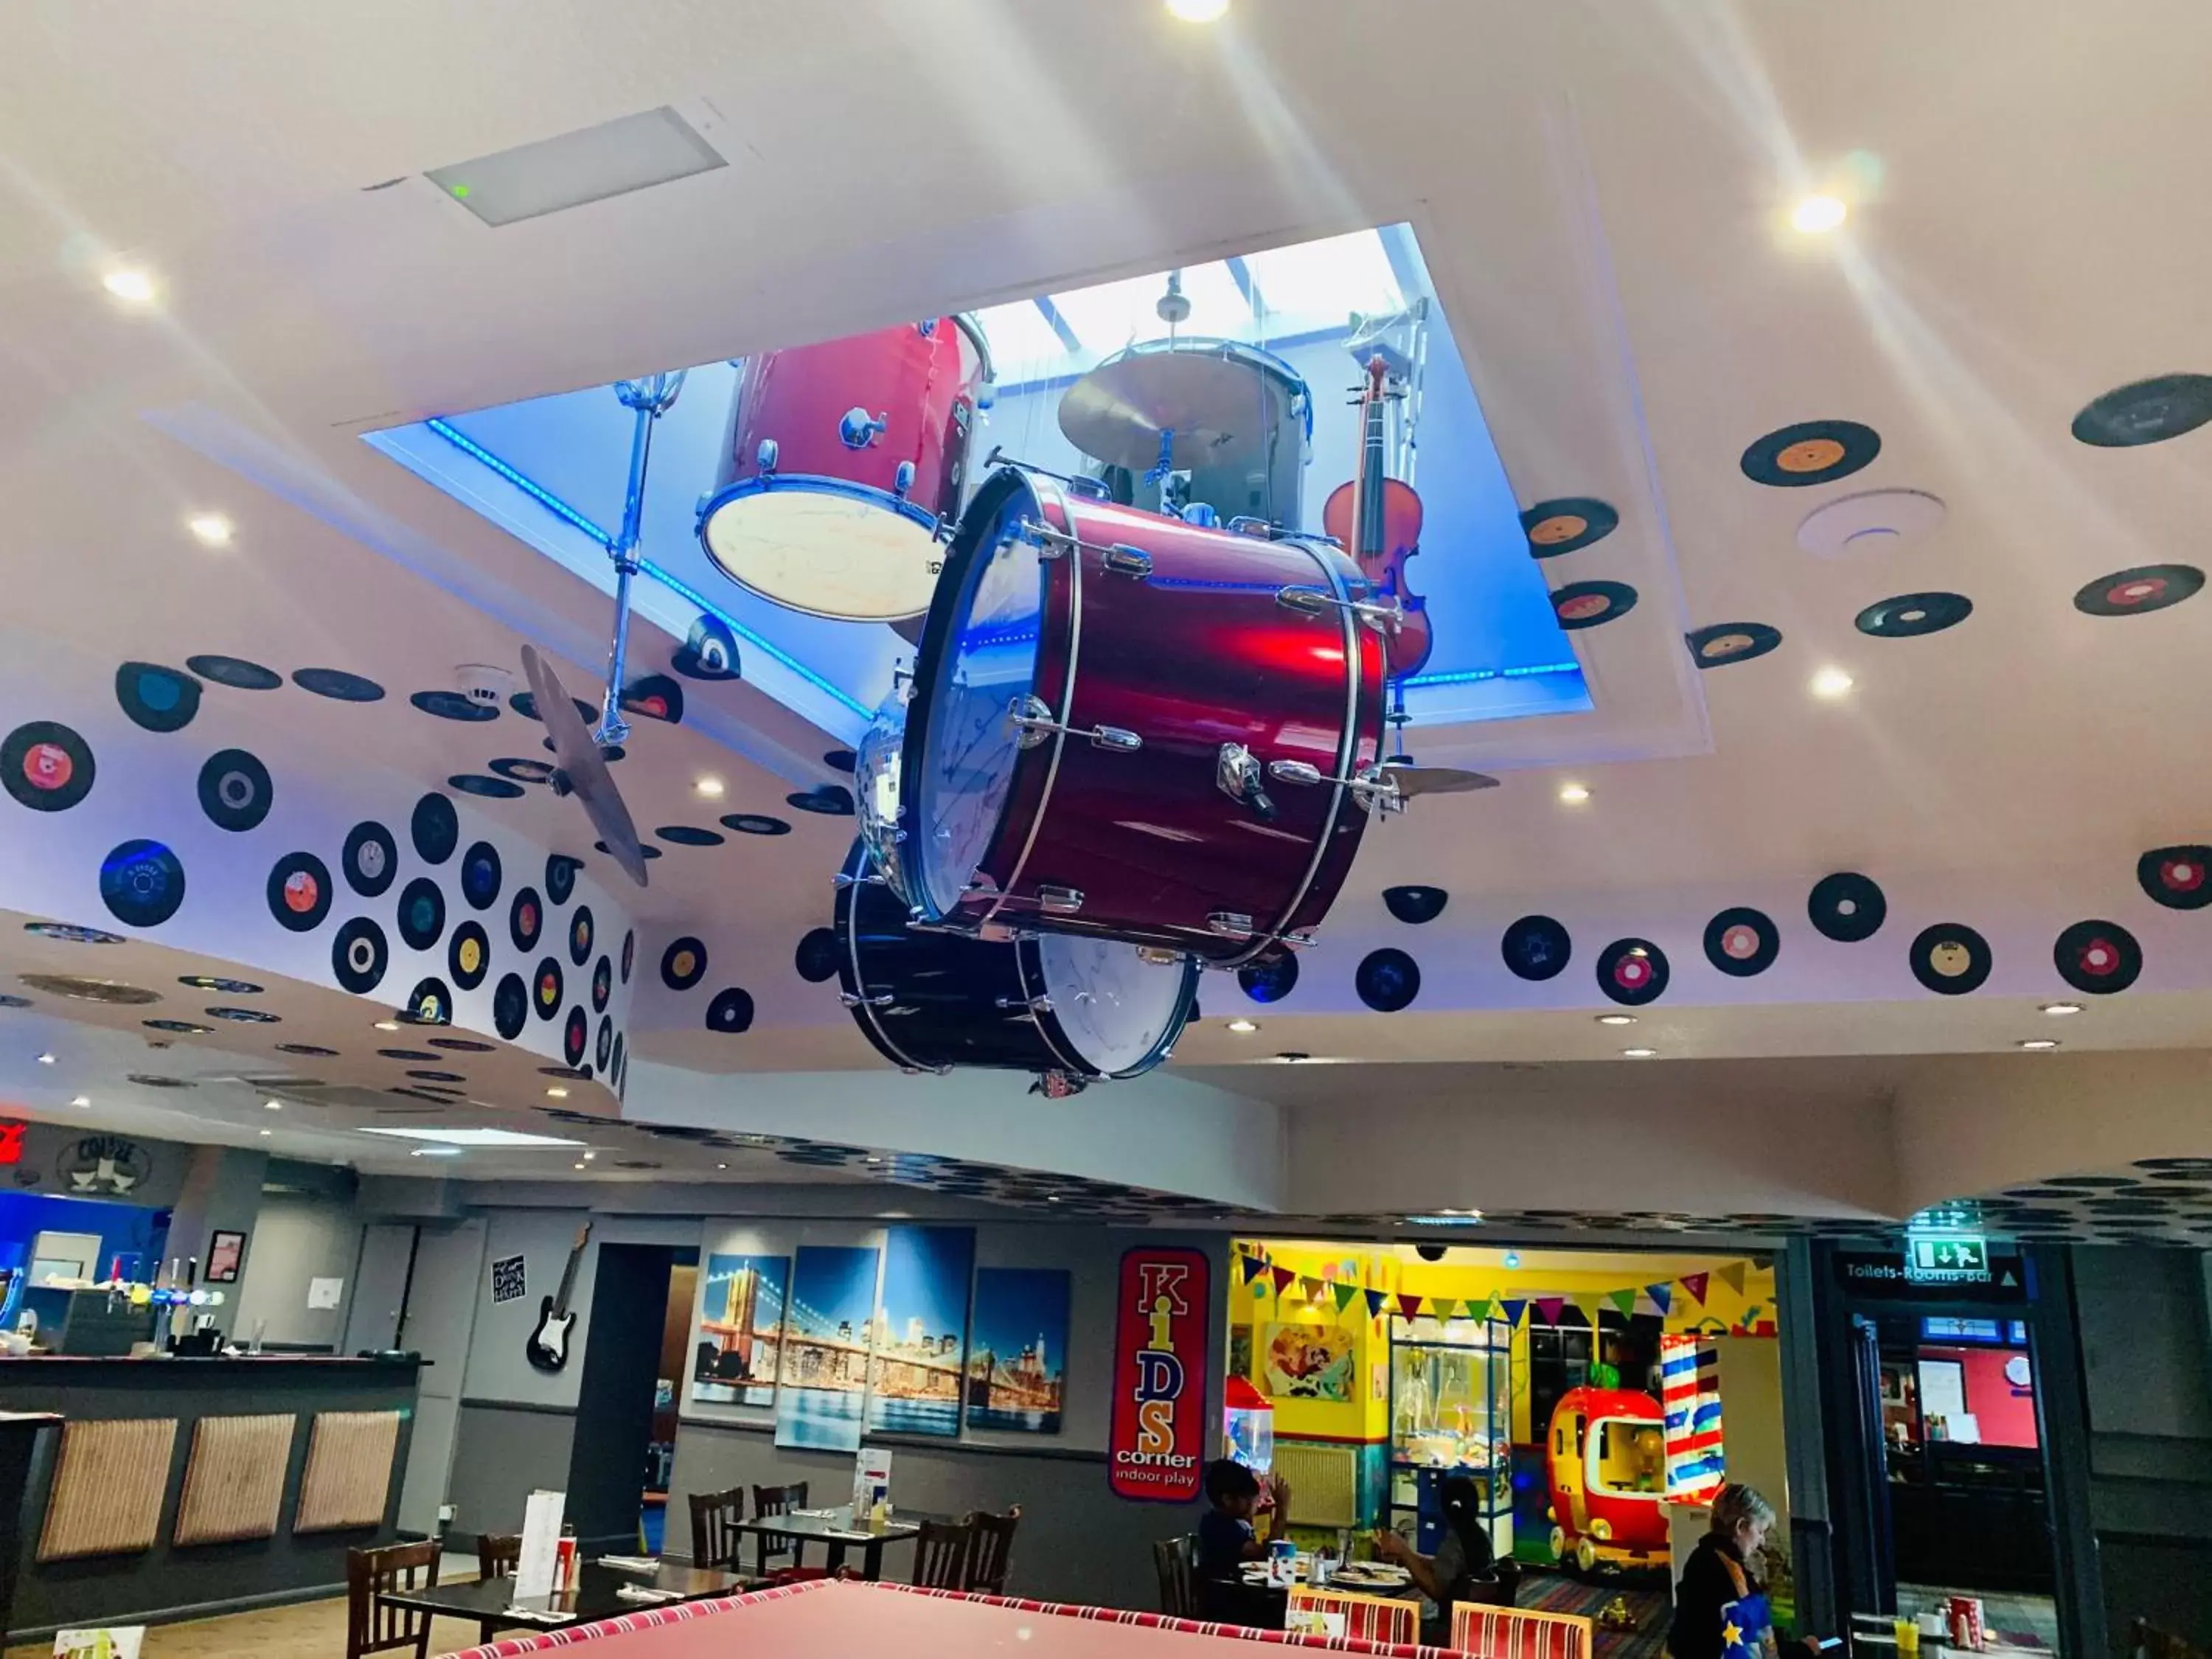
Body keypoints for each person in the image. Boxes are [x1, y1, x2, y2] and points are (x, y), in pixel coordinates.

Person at [1374, 1474, 1498, 1644]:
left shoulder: (1454, 1541)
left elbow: (1437, 1589)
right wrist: (1410, 1556)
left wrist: (1404, 1552)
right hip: (1477, 1624)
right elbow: (1448, 1568)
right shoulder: (1482, 1536)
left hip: (1450, 1629)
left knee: (1391, 1625)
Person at [1669, 1483, 1778, 1659]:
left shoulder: (1701, 1556)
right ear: (1741, 1527)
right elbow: (1757, 1647)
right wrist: (1803, 1651)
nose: (1762, 1541)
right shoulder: (1734, 1577)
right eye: (1760, 1531)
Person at [1195, 1458, 1291, 1581]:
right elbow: (1269, 1555)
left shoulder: (1227, 1522)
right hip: (1227, 1595)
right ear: (1228, 1499)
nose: (1257, 1505)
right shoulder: (1221, 1528)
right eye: (1250, 1500)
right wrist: (1282, 1510)